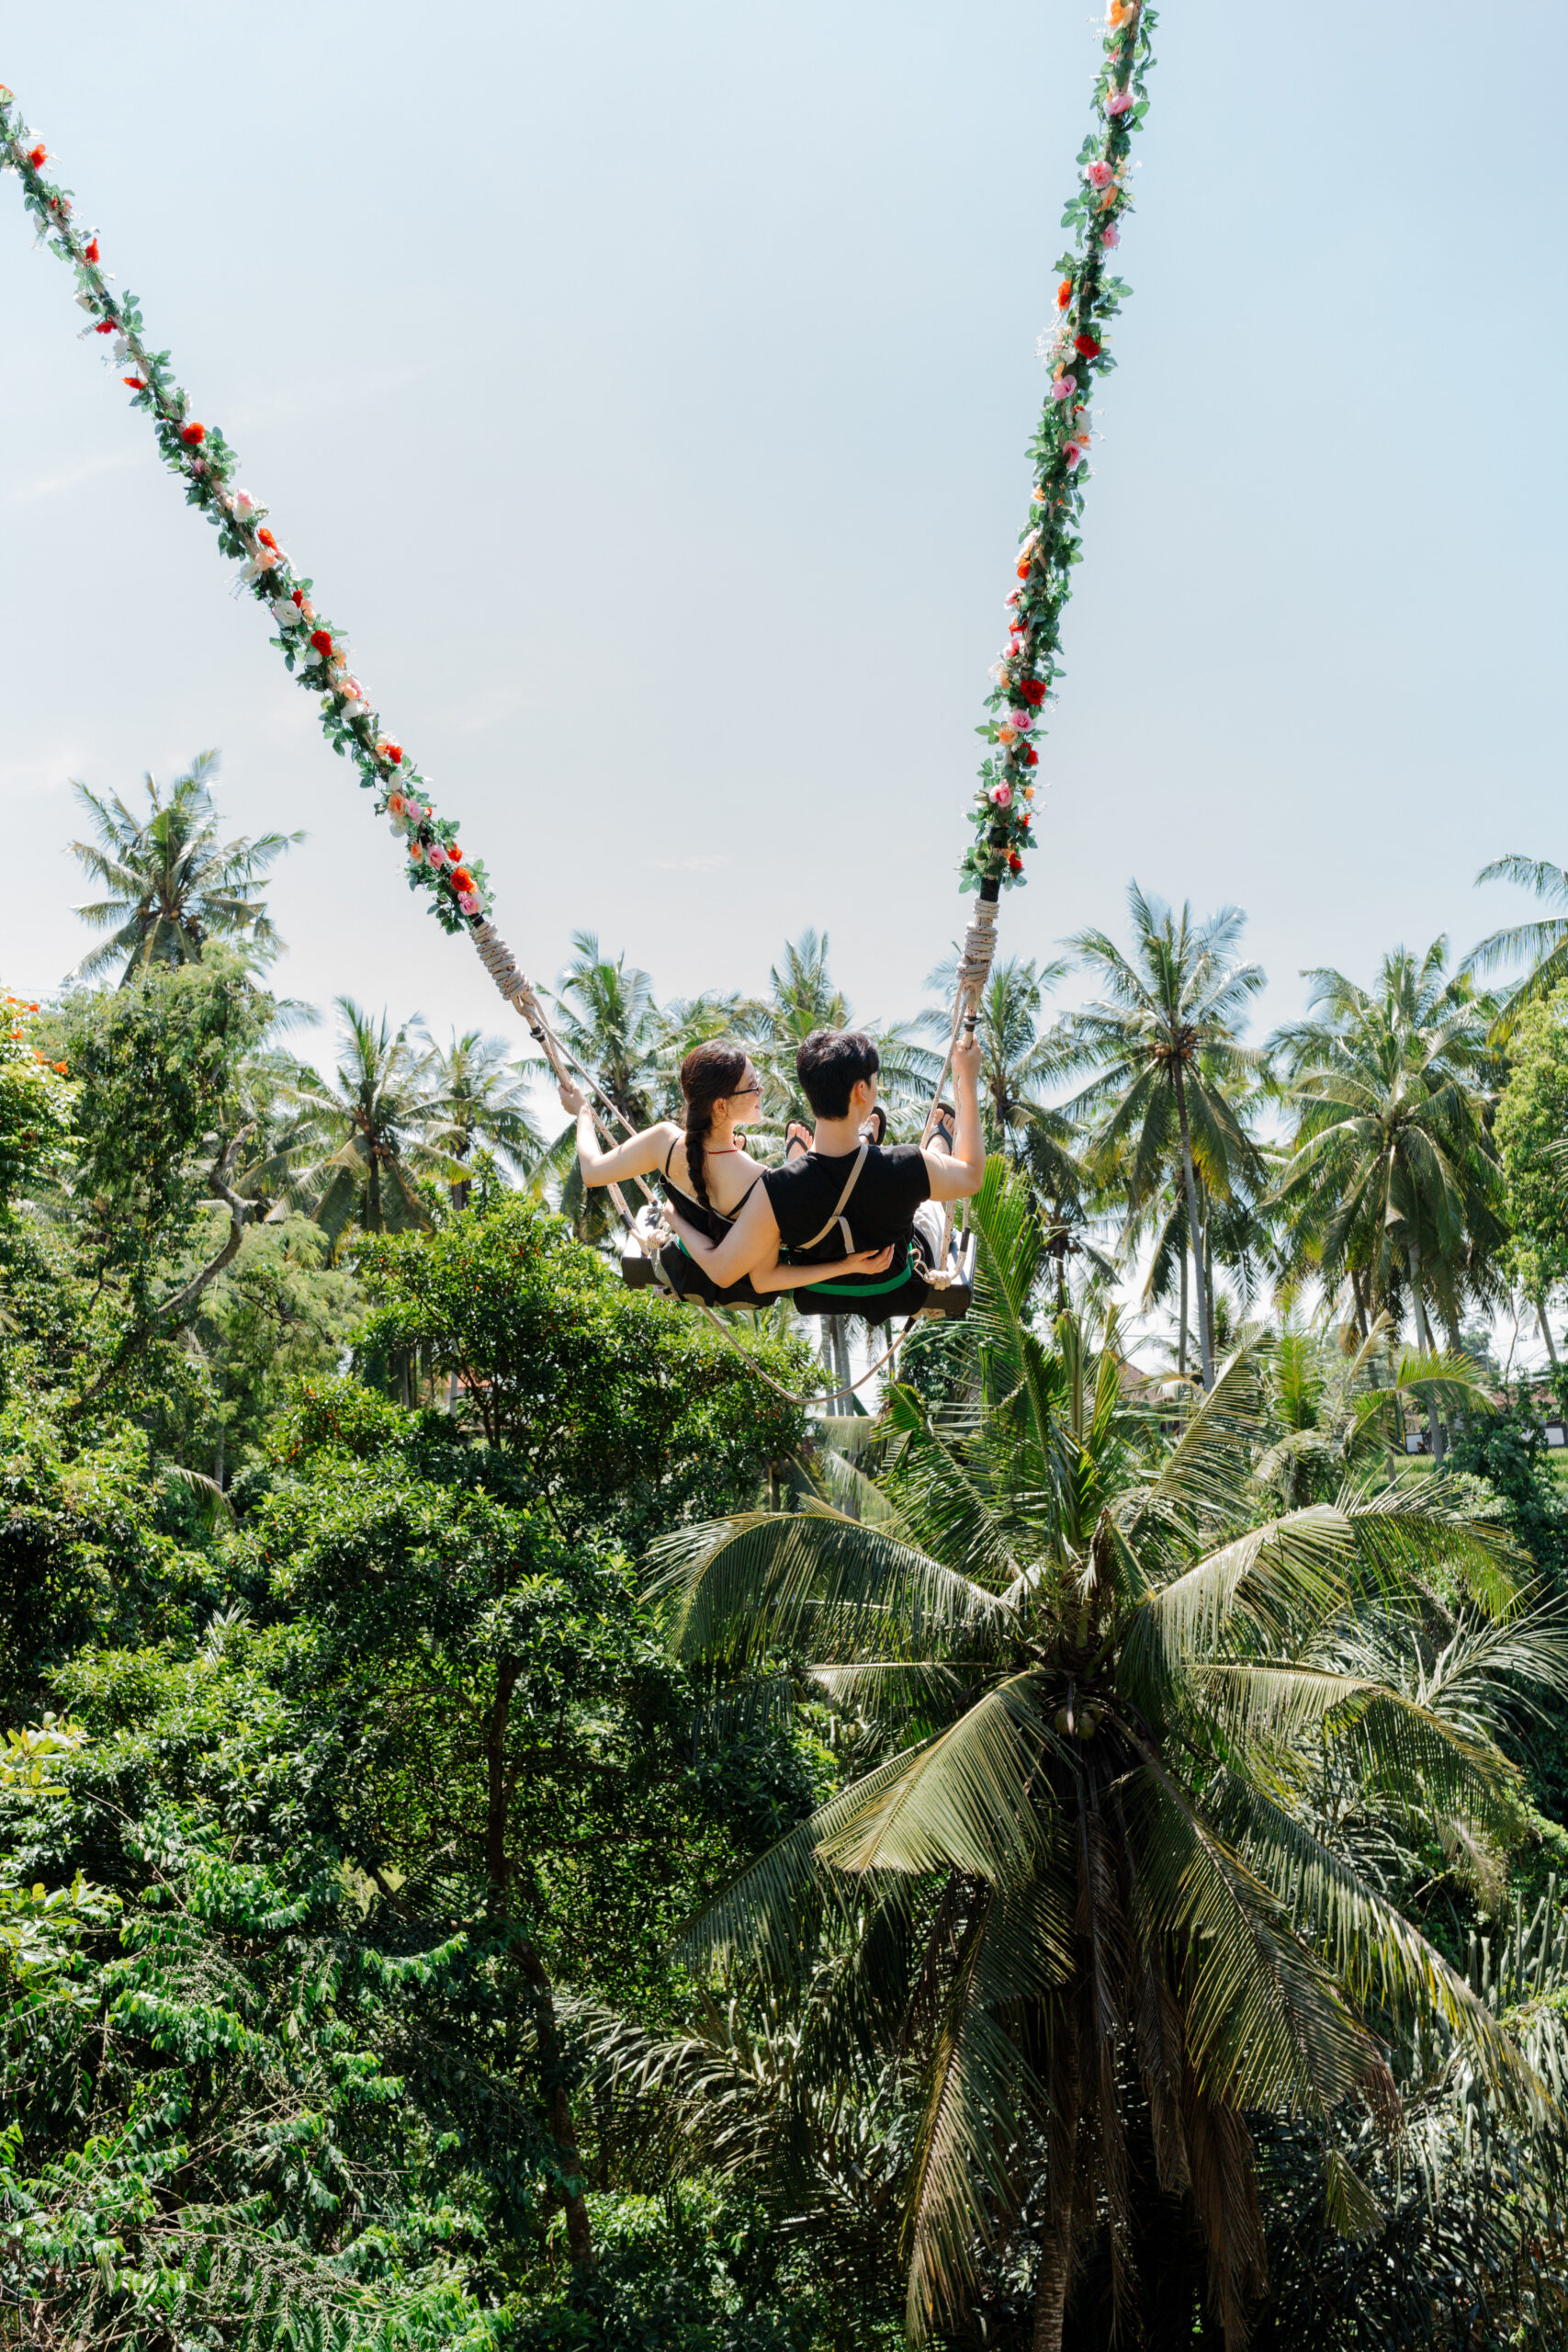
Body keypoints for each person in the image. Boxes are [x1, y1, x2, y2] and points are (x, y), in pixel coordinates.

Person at [664, 1026, 986, 1321]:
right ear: (862, 1090)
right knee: (929, 1208)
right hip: (896, 1291)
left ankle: (808, 1155)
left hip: (821, 1293)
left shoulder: (774, 1189)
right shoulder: (906, 1164)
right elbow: (971, 1176)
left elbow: (762, 1280)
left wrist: (675, 1219)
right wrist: (967, 1081)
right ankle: (937, 1146)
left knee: (821, 1184)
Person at [558, 1040, 896, 1306]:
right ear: (721, 1105)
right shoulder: (760, 1182)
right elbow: (752, 1278)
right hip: (737, 1288)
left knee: (801, 1175)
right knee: (814, 1177)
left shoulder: (663, 1141)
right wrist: (845, 1266)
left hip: (684, 1260)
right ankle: (852, 1142)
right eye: (752, 1087)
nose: (760, 1092)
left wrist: (584, 1112)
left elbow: (591, 1171)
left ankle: (823, 1149)